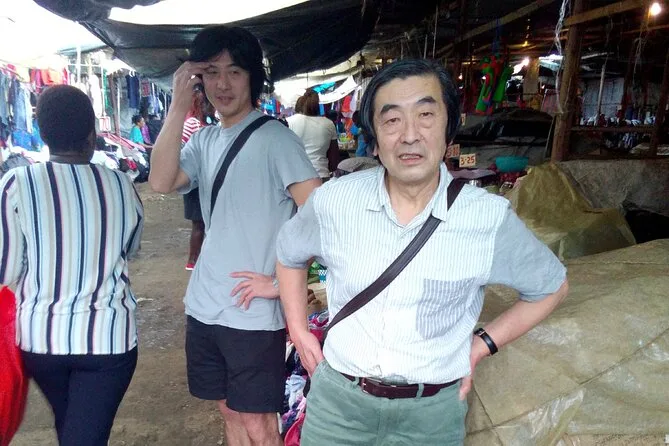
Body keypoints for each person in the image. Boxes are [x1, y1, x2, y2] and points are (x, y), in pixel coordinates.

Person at [276, 59, 569, 446]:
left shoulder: (487, 217)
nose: (410, 135)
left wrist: (480, 346)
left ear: (449, 127)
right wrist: (299, 331)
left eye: (426, 115)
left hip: (431, 417)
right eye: (392, 120)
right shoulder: (334, 202)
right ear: (374, 139)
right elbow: (289, 254)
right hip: (339, 409)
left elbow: (552, 287)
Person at [148, 25, 320, 446]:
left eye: (235, 72)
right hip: (205, 304)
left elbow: (323, 218)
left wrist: (281, 284)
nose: (222, 84)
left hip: (252, 314)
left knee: (258, 423)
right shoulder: (205, 139)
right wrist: (177, 107)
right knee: (228, 410)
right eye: (212, 72)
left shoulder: (276, 139)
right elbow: (160, 181)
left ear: (253, 78)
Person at [0, 85, 144, 445]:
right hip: (108, 340)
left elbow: (7, 270)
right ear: (92, 133)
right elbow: (130, 248)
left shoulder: (17, 183)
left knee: (73, 426)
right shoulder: (120, 184)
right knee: (83, 433)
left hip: (41, 341)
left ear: (42, 133)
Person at [181, 89, 210, 270]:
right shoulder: (191, 123)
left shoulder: (202, 123)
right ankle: (193, 261)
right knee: (198, 223)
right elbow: (182, 148)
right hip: (194, 183)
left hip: (201, 182)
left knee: (202, 223)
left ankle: (197, 260)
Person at [287, 90, 339, 181]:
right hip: (321, 176)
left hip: (295, 177)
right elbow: (333, 162)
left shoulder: (289, 122)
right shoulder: (328, 124)